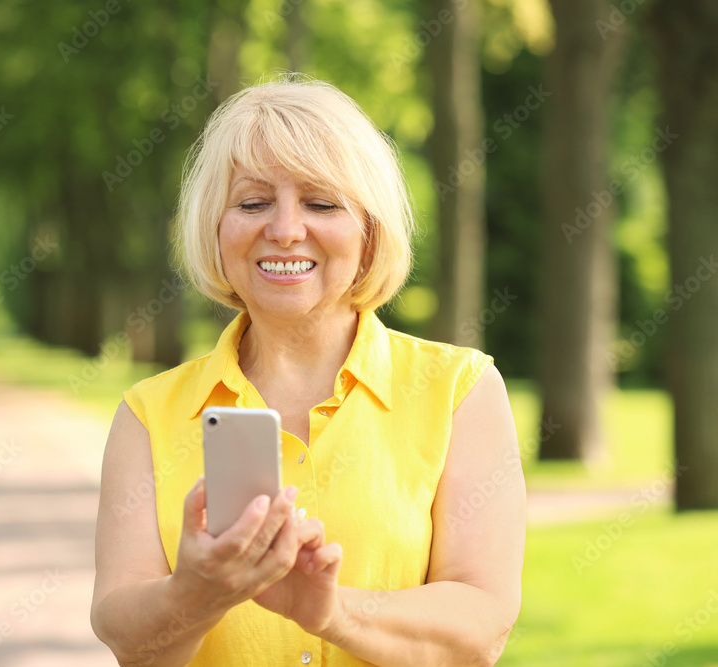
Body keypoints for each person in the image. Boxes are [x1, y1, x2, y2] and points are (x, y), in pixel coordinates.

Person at [91, 75, 525, 667]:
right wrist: (193, 595)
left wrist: (331, 613)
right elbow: (126, 638)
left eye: (321, 203)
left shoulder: (460, 393)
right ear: (215, 230)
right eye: (252, 203)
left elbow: (480, 627)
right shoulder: (147, 415)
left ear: (370, 232)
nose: (287, 229)